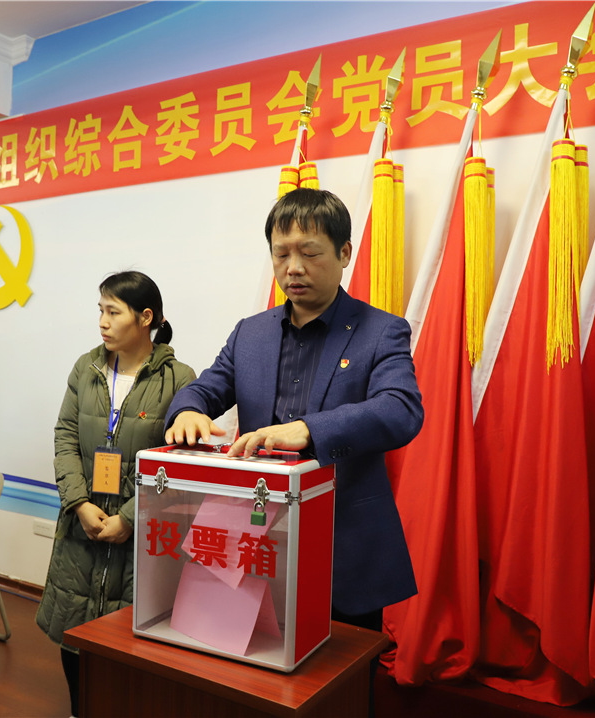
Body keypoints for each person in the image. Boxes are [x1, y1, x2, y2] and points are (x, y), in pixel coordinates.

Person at [165, 187, 424, 631]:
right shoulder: (250, 334)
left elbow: (400, 409)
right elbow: (205, 389)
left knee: (338, 668)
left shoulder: (381, 331)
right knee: (246, 656)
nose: (294, 267)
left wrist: (309, 429)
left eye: (310, 252)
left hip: (342, 545)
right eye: (281, 254)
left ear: (344, 253)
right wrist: (186, 410)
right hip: (250, 538)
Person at [36, 270, 195, 717]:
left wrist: (130, 516)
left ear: (145, 318)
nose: (102, 322)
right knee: (74, 631)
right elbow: (65, 436)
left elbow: (176, 461)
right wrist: (79, 503)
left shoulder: (179, 379)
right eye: (100, 311)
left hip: (142, 531)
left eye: (113, 311)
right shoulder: (86, 368)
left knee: (134, 638)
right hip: (82, 526)